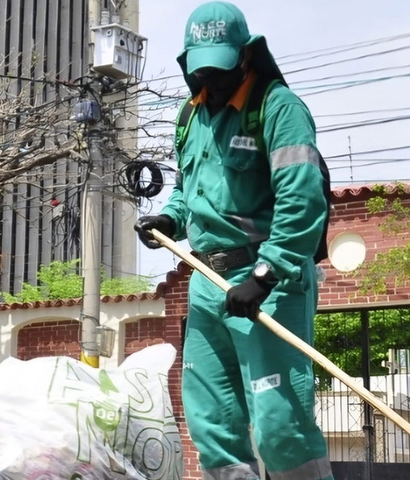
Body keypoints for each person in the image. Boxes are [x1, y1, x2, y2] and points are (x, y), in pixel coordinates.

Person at [134, 2, 333, 480]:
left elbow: (302, 199)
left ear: (245, 55)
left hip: (267, 282)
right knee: (212, 419)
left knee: (280, 423)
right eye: (202, 70)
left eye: (221, 69)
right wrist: (169, 219)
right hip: (206, 281)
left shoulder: (278, 108)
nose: (213, 81)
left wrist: (266, 274)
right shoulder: (190, 114)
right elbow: (188, 190)